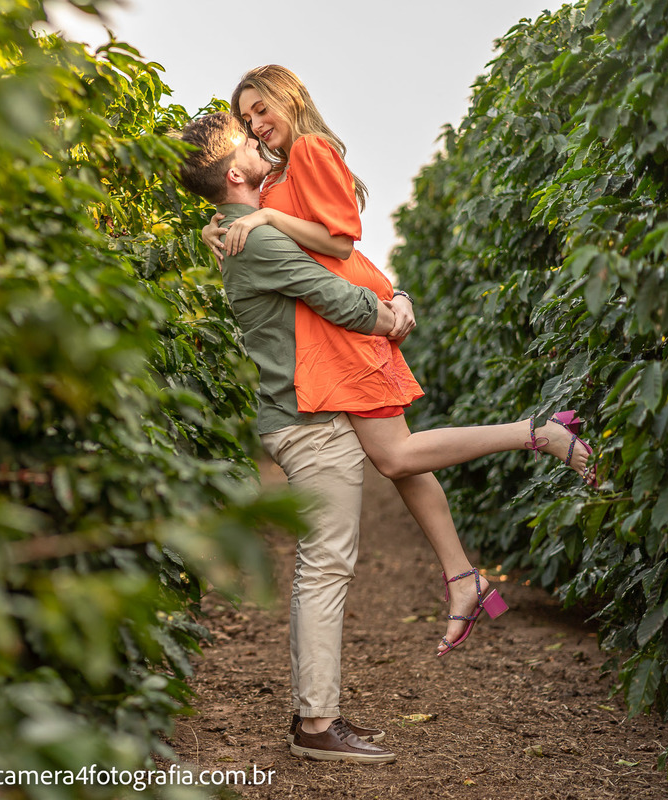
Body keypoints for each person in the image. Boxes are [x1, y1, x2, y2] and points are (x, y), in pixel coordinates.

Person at [201, 65, 595, 659]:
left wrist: (266, 218)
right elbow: (270, 231)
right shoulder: (276, 172)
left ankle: (538, 434)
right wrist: (222, 225)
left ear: (291, 98)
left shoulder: (308, 149)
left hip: (349, 329)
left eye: (262, 108)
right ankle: (462, 577)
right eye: (247, 116)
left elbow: (339, 243)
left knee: (396, 455)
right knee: (401, 462)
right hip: (337, 330)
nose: (255, 124)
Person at [179, 111, 402, 764]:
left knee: (320, 567)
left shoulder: (237, 229)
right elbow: (340, 299)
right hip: (308, 420)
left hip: (293, 414)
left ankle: (316, 710)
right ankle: (316, 724)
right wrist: (395, 314)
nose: (259, 142)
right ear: (234, 173)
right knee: (326, 567)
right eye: (247, 141)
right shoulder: (257, 241)